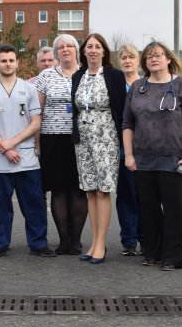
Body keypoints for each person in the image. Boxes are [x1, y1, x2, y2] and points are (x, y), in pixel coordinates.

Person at [122, 41, 182, 271]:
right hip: (144, 159)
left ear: (168, 59)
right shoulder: (137, 87)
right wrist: (129, 155)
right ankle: (153, 252)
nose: (153, 59)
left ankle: (174, 257)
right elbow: (127, 123)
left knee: (174, 210)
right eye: (149, 56)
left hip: (173, 158)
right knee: (149, 209)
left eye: (158, 55)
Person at [0, 44, 54, 259]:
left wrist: (12, 143)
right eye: (3, 60)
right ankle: (0, 244)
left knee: (33, 204)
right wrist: (5, 148)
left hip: (26, 158)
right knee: (0, 206)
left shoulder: (28, 89)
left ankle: (39, 243)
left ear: (17, 63)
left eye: (11, 60)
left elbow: (35, 122)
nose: (8, 64)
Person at [71, 33, 126, 264]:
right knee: (90, 191)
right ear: (83, 52)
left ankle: (101, 244)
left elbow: (123, 111)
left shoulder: (114, 75)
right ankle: (93, 242)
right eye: (89, 47)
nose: (93, 50)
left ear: (104, 51)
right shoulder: (78, 75)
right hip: (83, 139)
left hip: (106, 137)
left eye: (97, 47)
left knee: (103, 191)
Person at [34, 34, 89, 255]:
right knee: (58, 191)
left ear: (77, 50)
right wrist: (37, 143)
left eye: (69, 46)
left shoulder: (88, 74)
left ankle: (76, 240)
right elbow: (36, 112)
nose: (65, 49)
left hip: (82, 139)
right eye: (61, 47)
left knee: (78, 190)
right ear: (56, 52)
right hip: (53, 138)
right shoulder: (46, 76)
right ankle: (63, 240)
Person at [115, 43, 143, 256]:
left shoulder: (147, 84)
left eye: (130, 57)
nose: (127, 61)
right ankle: (129, 240)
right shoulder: (115, 85)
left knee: (145, 197)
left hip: (146, 150)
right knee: (125, 197)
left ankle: (146, 236)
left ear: (137, 60)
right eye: (123, 57)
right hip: (121, 150)